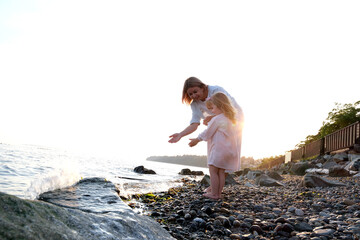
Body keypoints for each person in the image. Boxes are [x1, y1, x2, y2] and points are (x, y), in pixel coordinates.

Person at [168, 76, 244, 169]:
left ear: (203, 87)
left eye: (195, 91)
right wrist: (180, 134)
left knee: (228, 146)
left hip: (234, 119)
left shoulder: (216, 90)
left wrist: (213, 117)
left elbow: (229, 109)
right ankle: (218, 175)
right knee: (214, 145)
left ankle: (228, 173)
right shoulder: (195, 104)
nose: (193, 96)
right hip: (216, 123)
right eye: (190, 94)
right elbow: (194, 124)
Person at [188, 92, 239, 199]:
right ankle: (218, 193)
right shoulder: (229, 119)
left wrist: (197, 139)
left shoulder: (217, 119)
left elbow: (208, 132)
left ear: (220, 105)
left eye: (212, 108)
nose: (211, 111)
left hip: (218, 150)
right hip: (228, 150)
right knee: (221, 171)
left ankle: (214, 193)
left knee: (213, 170)